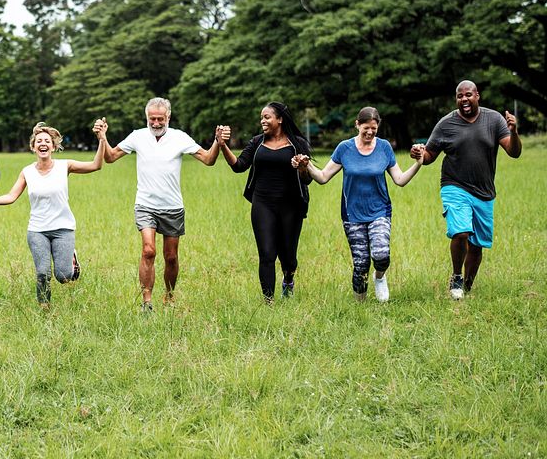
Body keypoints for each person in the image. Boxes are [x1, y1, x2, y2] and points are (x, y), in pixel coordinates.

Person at [94, 97, 220, 312]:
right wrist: (102, 138)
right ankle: (147, 301)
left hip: (172, 206)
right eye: (151, 119)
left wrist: (218, 141)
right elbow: (111, 157)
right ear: (146, 117)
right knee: (148, 250)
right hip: (145, 205)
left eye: (160, 119)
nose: (155, 123)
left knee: (170, 257)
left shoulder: (180, 138)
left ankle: (169, 297)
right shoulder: (138, 136)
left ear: (168, 117)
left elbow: (208, 159)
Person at [292, 107, 422, 302]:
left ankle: (379, 278)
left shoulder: (384, 147)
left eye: (374, 129)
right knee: (360, 265)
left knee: (381, 254)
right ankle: (360, 307)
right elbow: (323, 177)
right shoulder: (345, 148)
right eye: (366, 128)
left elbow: (400, 179)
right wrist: (307, 164)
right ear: (357, 125)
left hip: (380, 211)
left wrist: (419, 163)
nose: (370, 133)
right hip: (352, 215)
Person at [410, 80, 522, 300]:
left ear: (477, 95)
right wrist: (419, 154)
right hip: (454, 186)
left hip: (484, 191)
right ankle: (456, 277)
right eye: (460, 96)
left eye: (468, 95)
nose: (464, 100)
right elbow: (430, 155)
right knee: (461, 232)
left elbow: (514, 152)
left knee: (477, 245)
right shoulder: (446, 124)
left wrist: (514, 131)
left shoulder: (494, 119)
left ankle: (467, 287)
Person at [0, 120, 107, 307]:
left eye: (47, 141)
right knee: (42, 273)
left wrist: (102, 139)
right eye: (39, 141)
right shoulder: (27, 172)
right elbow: (11, 196)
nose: (43, 143)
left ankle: (71, 259)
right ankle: (44, 308)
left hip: (63, 228)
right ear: (33, 147)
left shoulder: (65, 165)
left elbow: (96, 165)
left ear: (53, 146)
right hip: (37, 230)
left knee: (63, 276)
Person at [216, 102, 312, 303]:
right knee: (267, 254)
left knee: (288, 258)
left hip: (291, 205)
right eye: (262, 117)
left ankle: (288, 279)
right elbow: (238, 166)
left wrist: (302, 167)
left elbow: (306, 179)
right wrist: (222, 145)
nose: (263, 121)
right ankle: (268, 301)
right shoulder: (257, 142)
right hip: (263, 204)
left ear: (280, 119)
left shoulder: (298, 144)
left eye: (267, 117)